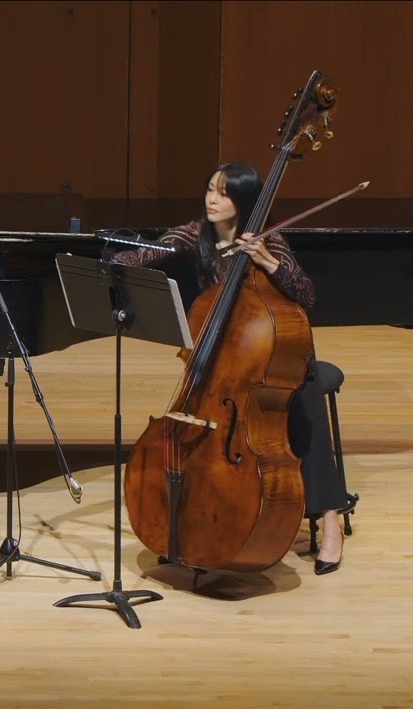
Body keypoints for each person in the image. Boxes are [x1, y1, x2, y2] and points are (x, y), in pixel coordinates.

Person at [112, 161, 355, 575]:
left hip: (271, 356)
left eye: (223, 193)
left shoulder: (269, 240)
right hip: (225, 363)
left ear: (242, 201)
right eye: (210, 189)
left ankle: (329, 518)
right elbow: (152, 252)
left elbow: (306, 295)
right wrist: (110, 264)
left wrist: (268, 262)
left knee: (304, 400)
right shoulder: (197, 233)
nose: (212, 199)